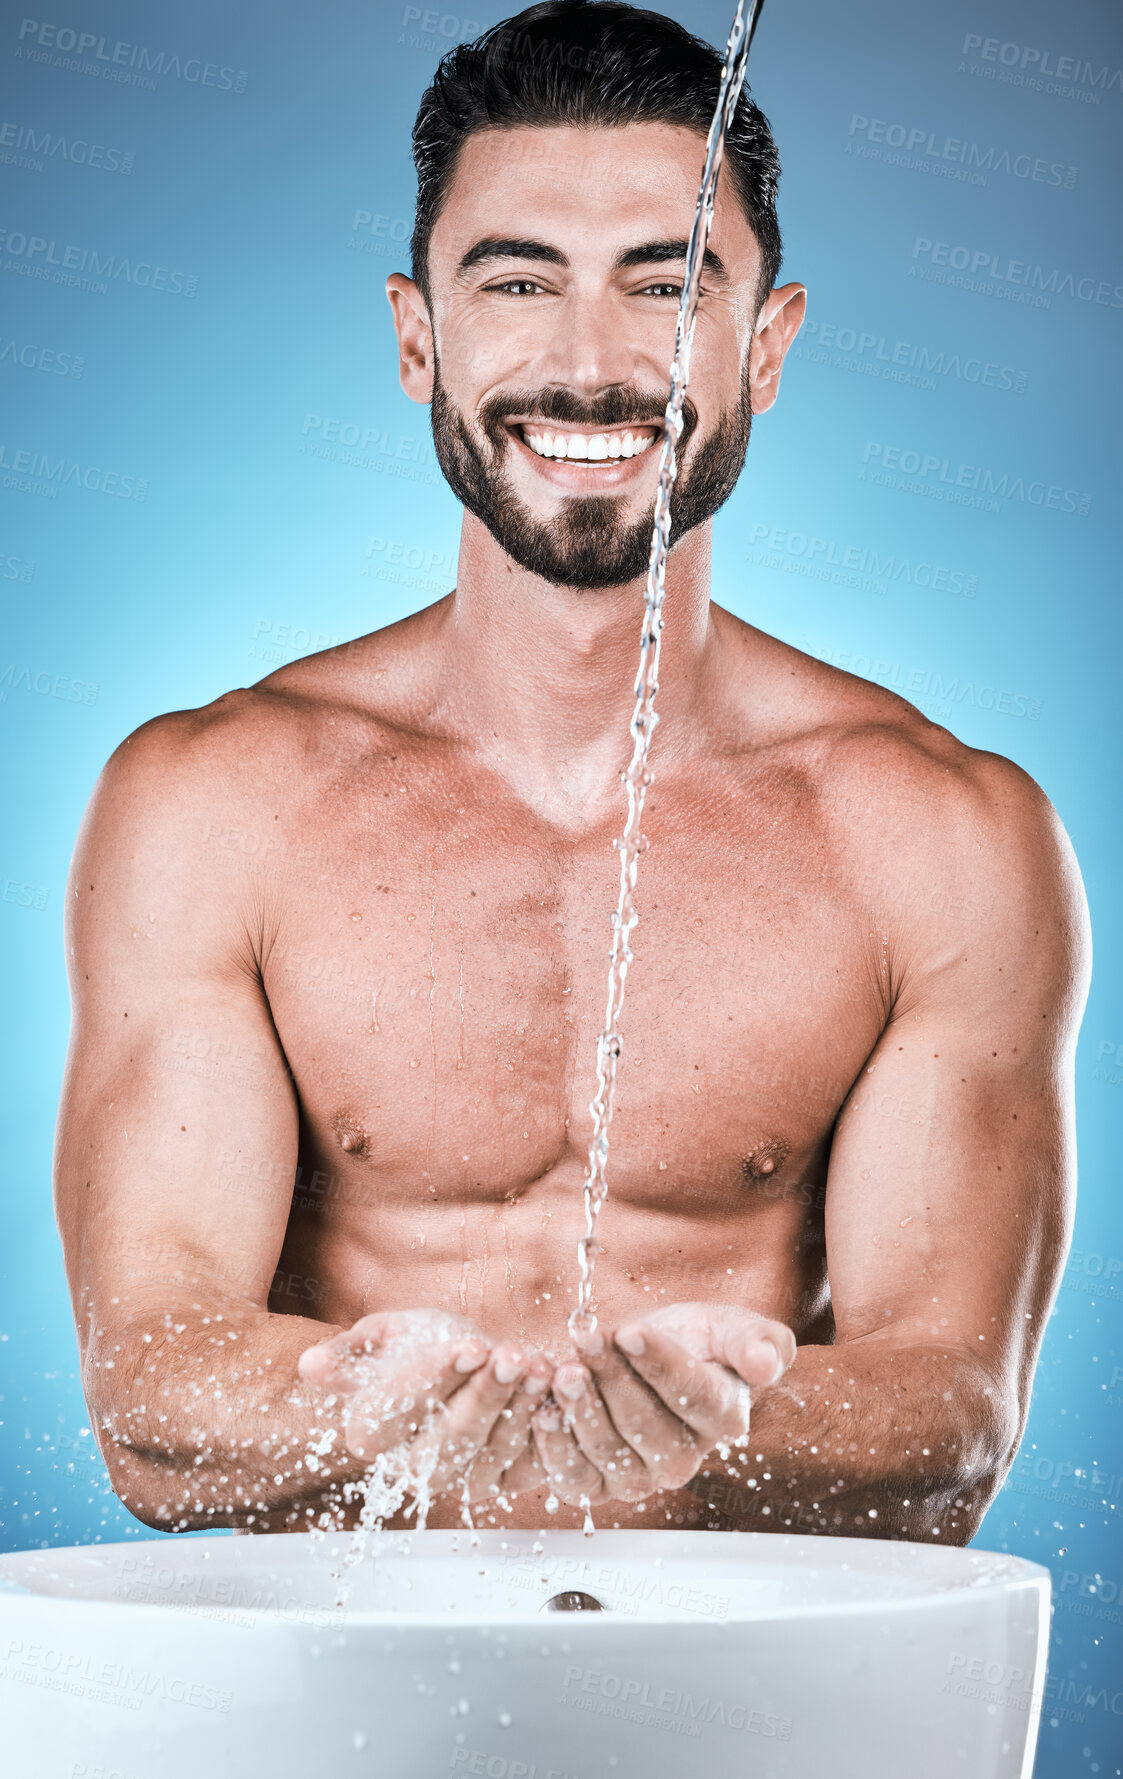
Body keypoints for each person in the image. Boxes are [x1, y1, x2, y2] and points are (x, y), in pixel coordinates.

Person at [54, 0, 1089, 1540]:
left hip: (744, 1716)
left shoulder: (938, 839)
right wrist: (373, 1403)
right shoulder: (214, 807)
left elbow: (952, 1421)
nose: (595, 366)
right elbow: (153, 1399)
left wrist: (715, 1414)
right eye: (519, 283)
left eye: (668, 287)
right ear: (419, 338)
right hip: (340, 1702)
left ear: (770, 342)